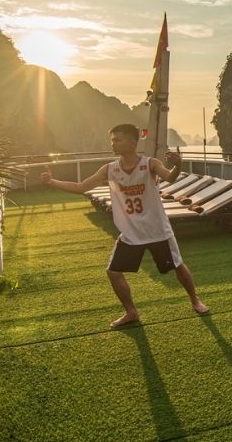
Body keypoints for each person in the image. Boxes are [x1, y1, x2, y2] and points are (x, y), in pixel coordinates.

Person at [41, 124, 209, 328]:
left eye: (117, 140)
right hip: (130, 233)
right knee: (113, 272)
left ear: (132, 142)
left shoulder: (150, 164)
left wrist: (178, 165)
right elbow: (80, 187)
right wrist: (52, 182)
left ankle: (195, 301)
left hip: (157, 231)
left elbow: (169, 177)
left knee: (178, 265)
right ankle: (131, 312)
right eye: (112, 140)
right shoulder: (110, 169)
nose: (113, 144)